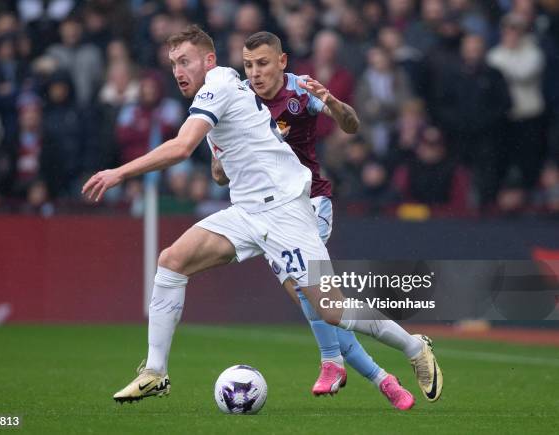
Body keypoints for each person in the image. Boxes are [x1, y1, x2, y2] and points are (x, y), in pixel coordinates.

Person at [82, 25, 442, 406]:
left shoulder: (219, 85)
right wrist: (224, 164)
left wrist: (119, 172)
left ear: (209, 60)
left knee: (331, 310)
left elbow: (182, 147)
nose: (177, 70)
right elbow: (224, 166)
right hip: (247, 212)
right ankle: (155, 372)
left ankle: (413, 346)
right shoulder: (223, 95)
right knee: (172, 261)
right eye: (173, 63)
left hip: (287, 210)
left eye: (185, 61)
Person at [211, 31, 414, 409]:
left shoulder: (301, 90)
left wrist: (333, 103)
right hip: (266, 214)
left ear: (282, 61)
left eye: (263, 63)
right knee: (321, 306)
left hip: (309, 202)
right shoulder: (235, 101)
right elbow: (219, 175)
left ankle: (333, 363)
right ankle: (385, 380)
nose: (255, 73)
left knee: (312, 294)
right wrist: (221, 157)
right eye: (249, 65)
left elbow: (352, 126)